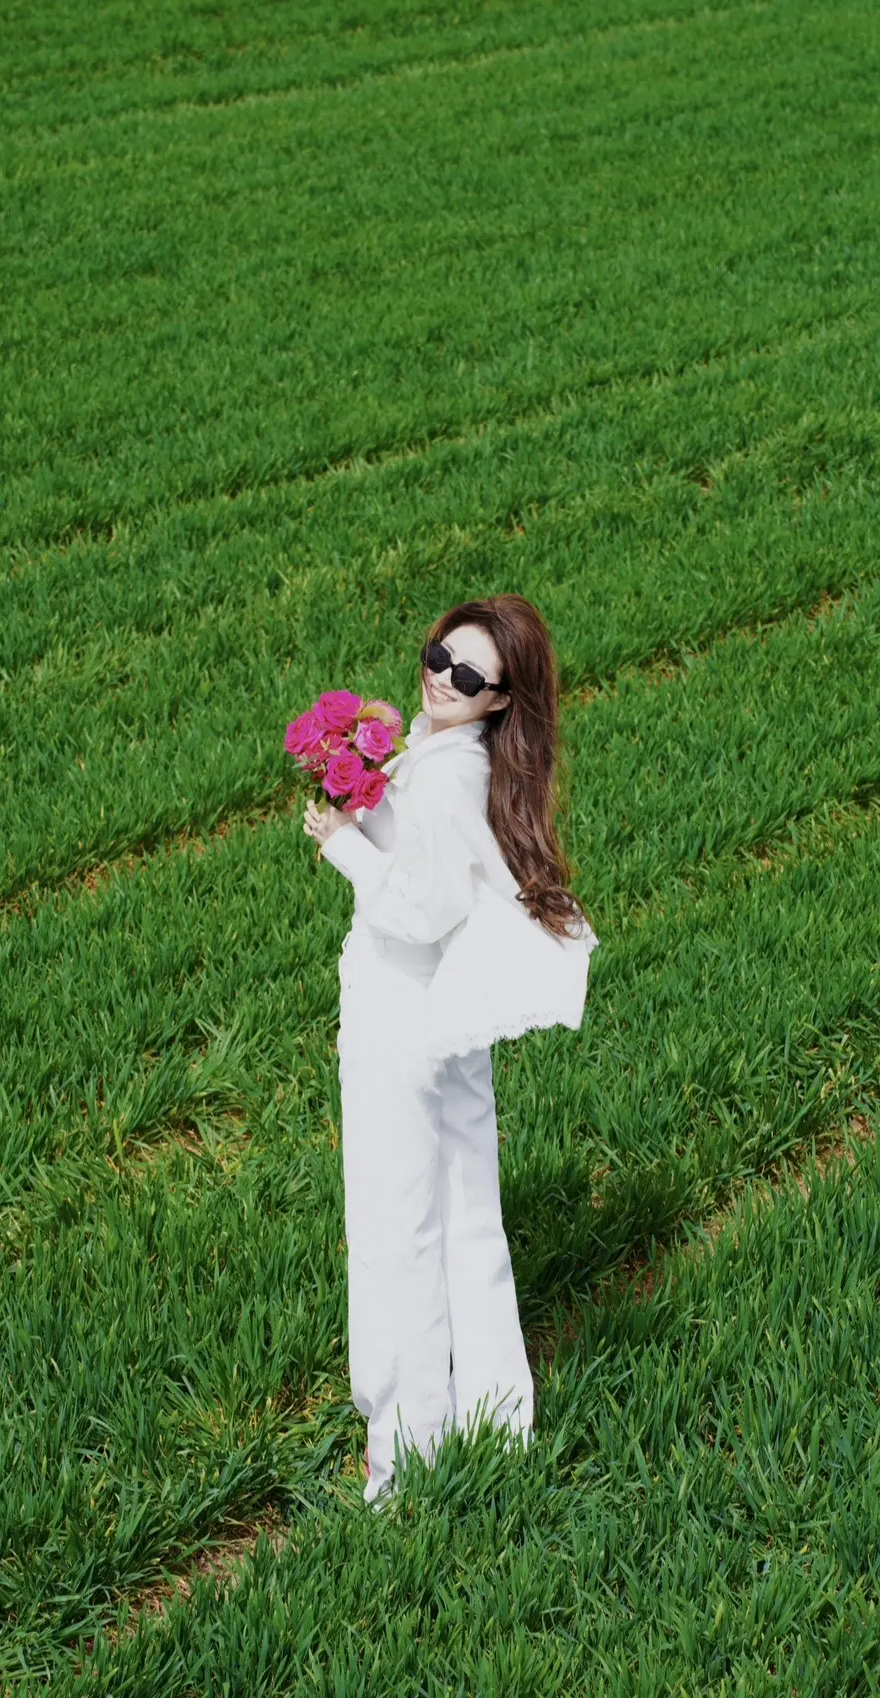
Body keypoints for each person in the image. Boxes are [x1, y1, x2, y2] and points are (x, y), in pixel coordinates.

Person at [303, 594, 598, 1506]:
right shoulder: (458, 759)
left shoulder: (445, 776)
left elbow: (421, 909)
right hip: (445, 1028)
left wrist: (343, 844)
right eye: (440, 654)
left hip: (402, 1022)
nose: (442, 677)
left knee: (397, 1234)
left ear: (501, 698)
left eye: (469, 675)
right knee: (466, 1216)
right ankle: (494, 1421)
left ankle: (401, 1456)